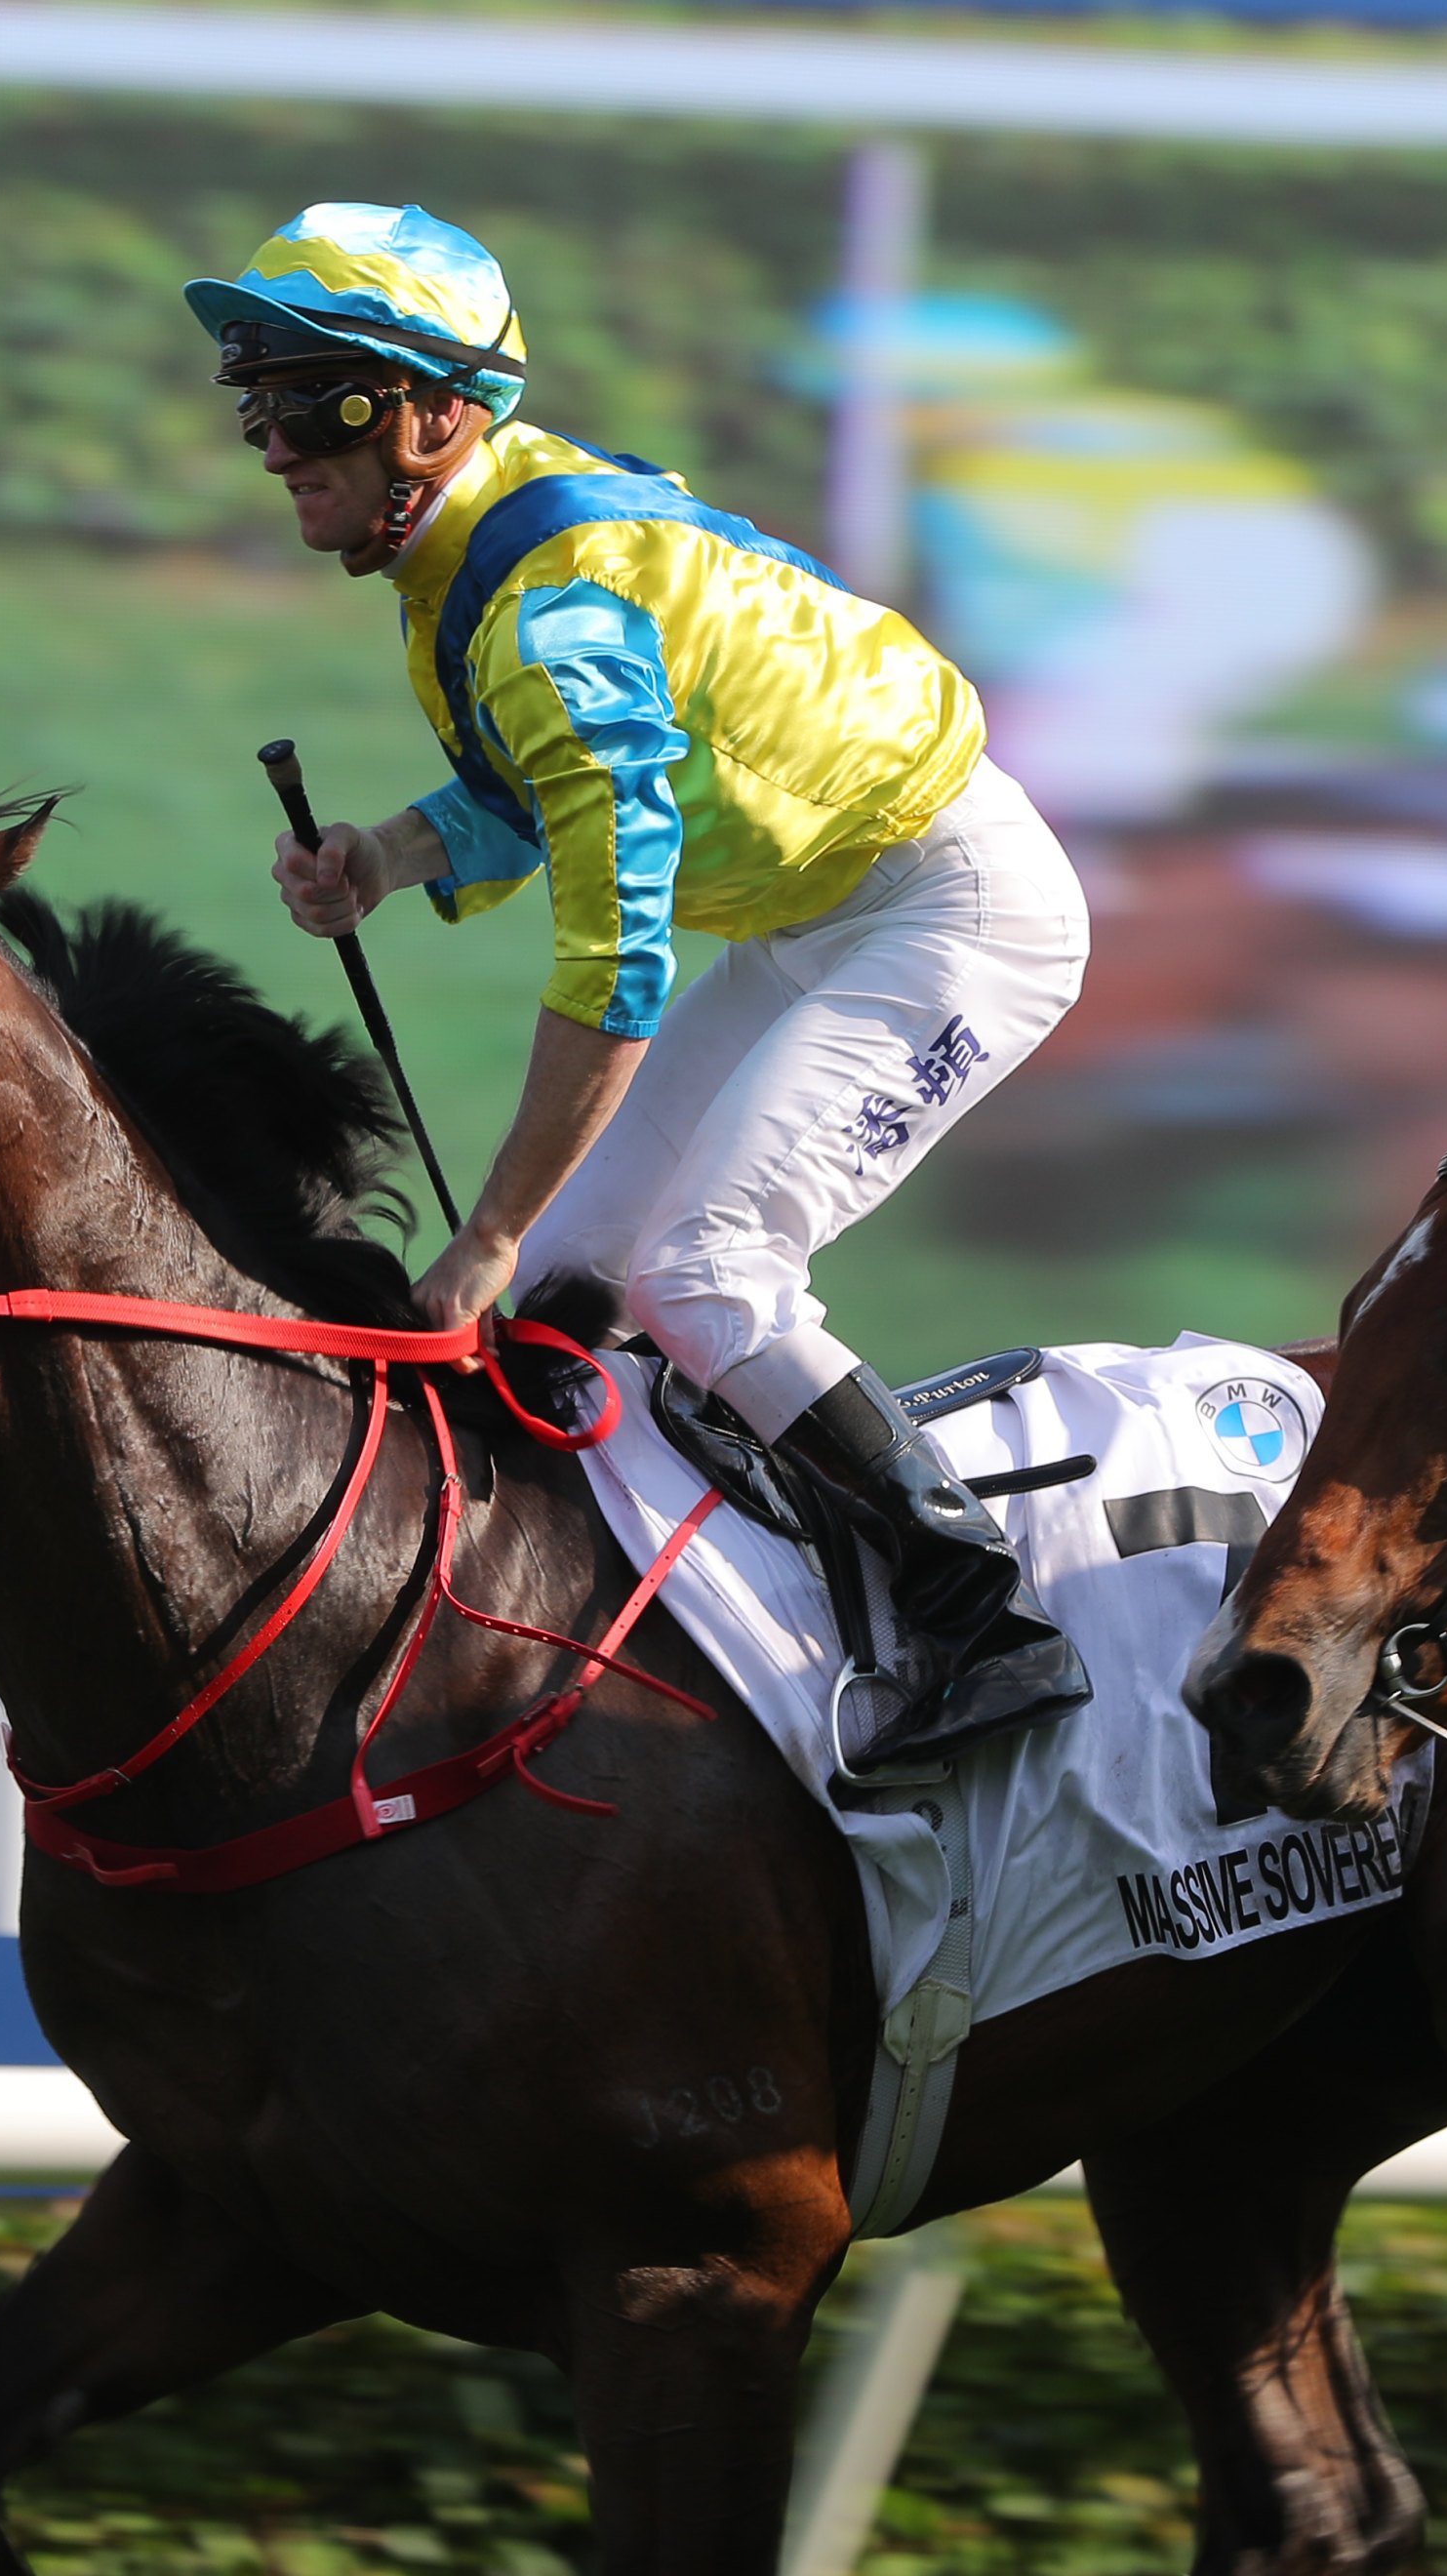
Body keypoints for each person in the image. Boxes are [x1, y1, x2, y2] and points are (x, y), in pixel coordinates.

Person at [184, 200, 1094, 1755]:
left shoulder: (546, 607)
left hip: (950, 910)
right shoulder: (475, 541)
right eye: (254, 398)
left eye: (305, 394)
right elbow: (547, 787)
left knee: (703, 1277)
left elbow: (615, 967)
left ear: (433, 410)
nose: (270, 439)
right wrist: (387, 857)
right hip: (823, 910)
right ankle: (627, 1634)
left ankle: (986, 1624)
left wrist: (483, 1226)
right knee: (564, 1302)